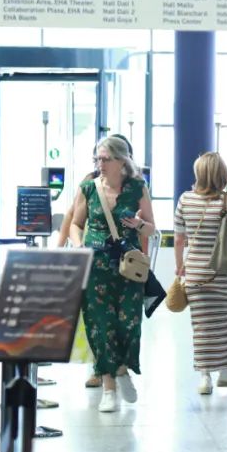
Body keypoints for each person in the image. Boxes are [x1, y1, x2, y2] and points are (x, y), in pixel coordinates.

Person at [68, 135, 156, 413]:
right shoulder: (89, 188)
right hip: (95, 267)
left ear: (121, 161)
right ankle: (109, 386)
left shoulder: (138, 188)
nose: (100, 164)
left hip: (128, 267)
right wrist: (79, 246)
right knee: (100, 326)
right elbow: (75, 224)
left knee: (128, 323)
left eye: (105, 159)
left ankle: (122, 369)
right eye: (98, 159)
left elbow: (152, 228)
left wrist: (139, 224)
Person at [173, 152, 227, 395]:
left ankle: (204, 377)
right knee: (223, 322)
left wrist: (179, 266)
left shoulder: (185, 199)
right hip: (223, 273)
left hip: (196, 273)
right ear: (222, 174)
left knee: (201, 325)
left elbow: (179, 238)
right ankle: (224, 371)